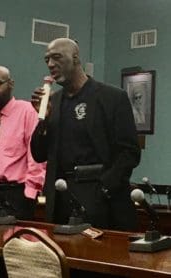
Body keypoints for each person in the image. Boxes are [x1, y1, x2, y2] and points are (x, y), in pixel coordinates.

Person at [30, 38, 141, 231]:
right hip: (61, 198)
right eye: (46, 60)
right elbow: (38, 155)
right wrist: (43, 120)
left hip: (103, 198)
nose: (50, 64)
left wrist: (104, 189)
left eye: (56, 57)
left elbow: (130, 152)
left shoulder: (112, 97)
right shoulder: (53, 102)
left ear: (75, 58)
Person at [0, 65, 45, 220]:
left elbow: (36, 156)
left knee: (13, 242)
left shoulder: (28, 111)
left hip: (17, 194)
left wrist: (31, 192)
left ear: (11, 84)